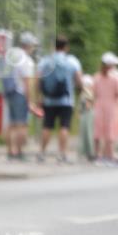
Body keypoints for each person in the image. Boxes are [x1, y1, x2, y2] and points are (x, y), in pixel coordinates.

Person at [36, 35, 83, 163]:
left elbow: (38, 78)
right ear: (66, 47)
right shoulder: (72, 61)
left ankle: (41, 153)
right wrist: (80, 90)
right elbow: (79, 80)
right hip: (66, 100)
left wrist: (39, 96)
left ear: (54, 46)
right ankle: (61, 154)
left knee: (47, 126)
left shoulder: (45, 60)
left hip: (49, 99)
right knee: (64, 126)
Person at [1, 31, 38, 161]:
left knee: (11, 124)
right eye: (33, 45)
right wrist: (30, 100)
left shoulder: (10, 55)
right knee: (22, 124)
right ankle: (19, 152)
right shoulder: (26, 60)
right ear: (28, 45)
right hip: (20, 93)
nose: (34, 48)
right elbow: (27, 81)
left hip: (9, 91)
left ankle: (10, 152)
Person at [92, 52, 118, 165]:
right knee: (109, 130)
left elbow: (94, 93)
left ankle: (98, 154)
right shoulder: (116, 79)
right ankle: (109, 155)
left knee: (98, 130)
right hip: (111, 106)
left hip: (99, 105)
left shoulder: (96, 77)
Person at [77, 74, 96, 162]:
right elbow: (88, 105)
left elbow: (85, 105)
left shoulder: (84, 93)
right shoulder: (87, 92)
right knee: (87, 133)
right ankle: (89, 152)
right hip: (87, 113)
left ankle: (86, 152)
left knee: (85, 133)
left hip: (85, 114)